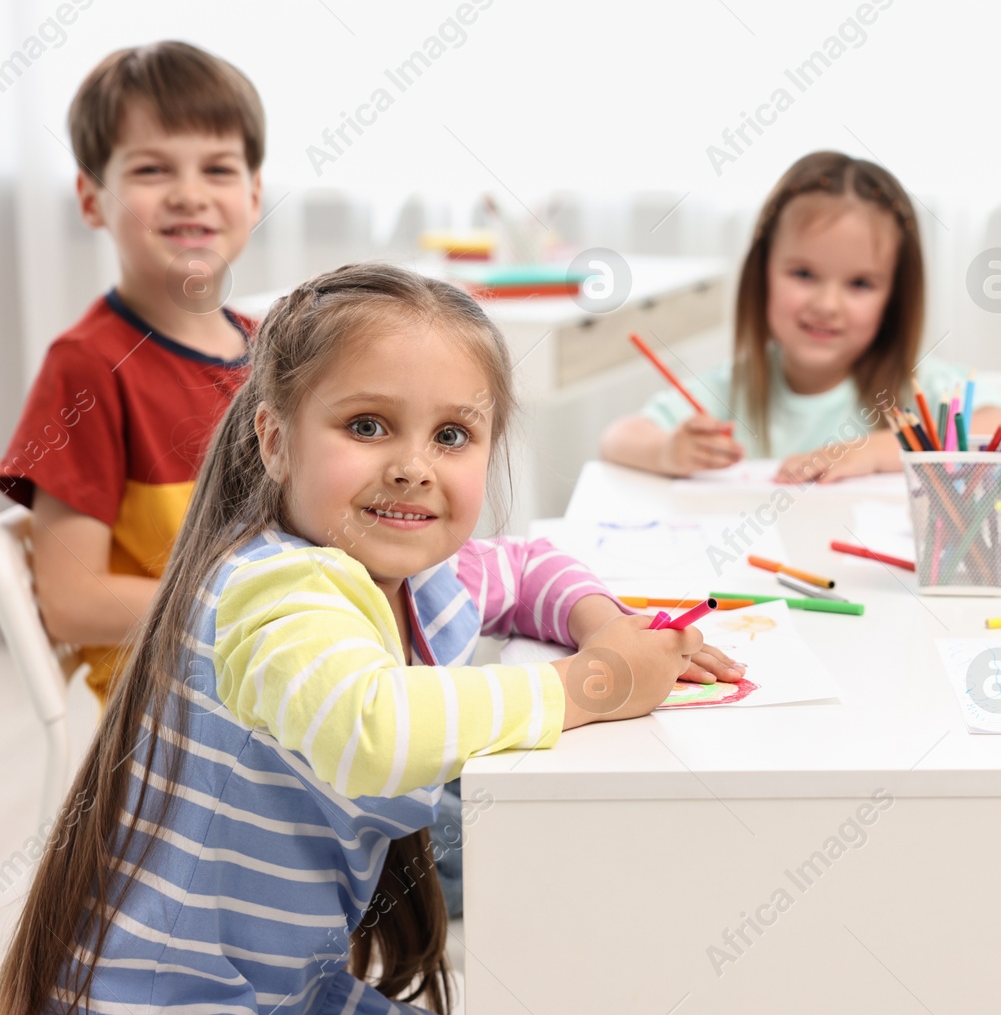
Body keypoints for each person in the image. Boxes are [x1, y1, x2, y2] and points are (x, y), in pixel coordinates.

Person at [0, 263, 740, 1013]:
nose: (413, 467)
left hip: (284, 986)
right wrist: (596, 681)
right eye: (367, 426)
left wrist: (608, 626)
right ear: (275, 440)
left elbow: (524, 567)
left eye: (452, 435)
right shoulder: (273, 588)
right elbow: (370, 726)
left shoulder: (419, 580)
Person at [0, 41, 265, 702]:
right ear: (91, 198)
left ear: (254, 194)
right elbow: (72, 601)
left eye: (218, 168)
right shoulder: (89, 367)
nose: (189, 194)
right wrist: (257, 613)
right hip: (176, 714)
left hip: (281, 684)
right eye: (151, 169)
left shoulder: (276, 352)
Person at [601, 150, 1001, 482]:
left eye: (860, 284)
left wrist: (877, 450)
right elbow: (618, 438)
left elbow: (1000, 430)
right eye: (804, 274)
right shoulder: (733, 390)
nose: (827, 305)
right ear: (762, 276)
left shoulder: (917, 388)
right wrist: (669, 451)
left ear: (894, 298)